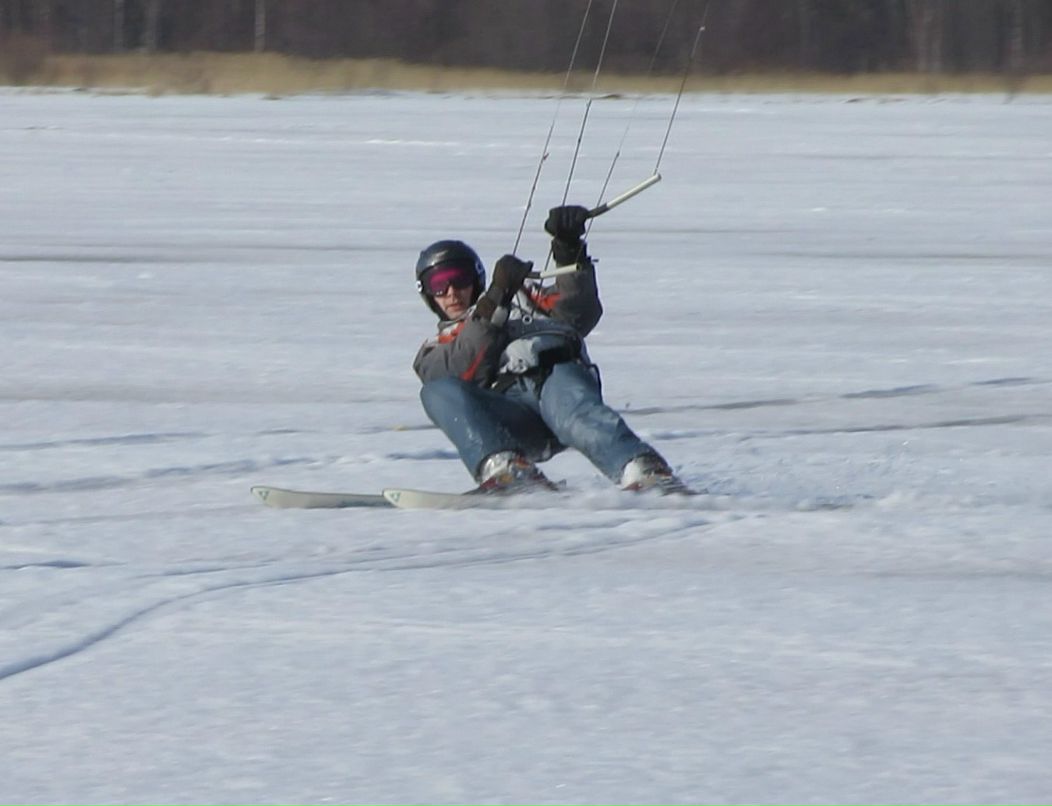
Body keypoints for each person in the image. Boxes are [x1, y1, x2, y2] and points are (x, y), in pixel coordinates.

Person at [412, 204, 689, 495]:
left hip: (558, 380)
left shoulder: (523, 297)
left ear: (476, 277)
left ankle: (647, 473)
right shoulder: (434, 351)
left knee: (577, 418)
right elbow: (464, 369)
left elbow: (578, 313)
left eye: (459, 279)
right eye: (439, 284)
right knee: (434, 391)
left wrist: (569, 249)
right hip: (513, 416)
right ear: (427, 293)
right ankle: (509, 470)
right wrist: (494, 301)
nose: (451, 292)